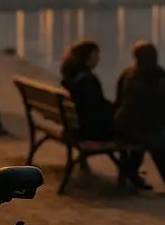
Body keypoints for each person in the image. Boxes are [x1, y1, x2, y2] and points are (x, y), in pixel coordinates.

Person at [60, 40, 150, 192]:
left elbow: (94, 104)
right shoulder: (87, 80)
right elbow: (98, 109)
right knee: (139, 133)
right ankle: (130, 172)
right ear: (88, 57)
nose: (99, 58)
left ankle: (129, 172)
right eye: (96, 54)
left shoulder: (71, 76)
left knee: (131, 126)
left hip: (77, 127)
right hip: (91, 131)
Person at [115, 40, 165, 198]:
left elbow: (119, 102)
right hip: (143, 130)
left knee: (157, 141)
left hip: (124, 127)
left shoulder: (127, 74)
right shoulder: (157, 78)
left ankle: (132, 173)